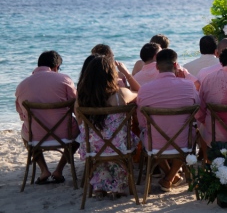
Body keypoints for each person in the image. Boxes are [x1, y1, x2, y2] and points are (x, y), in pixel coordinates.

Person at [136, 48, 200, 192]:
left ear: (157, 67)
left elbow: (142, 122)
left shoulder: (145, 89)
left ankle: (169, 177)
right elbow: (198, 110)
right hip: (184, 142)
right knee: (186, 136)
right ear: (176, 65)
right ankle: (171, 177)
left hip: (155, 143)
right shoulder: (189, 86)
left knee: (151, 135)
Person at [76, 56, 139, 197]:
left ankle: (99, 186)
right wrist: (126, 73)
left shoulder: (82, 98)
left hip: (92, 147)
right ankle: (118, 186)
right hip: (119, 146)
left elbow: (80, 123)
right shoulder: (121, 94)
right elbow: (139, 91)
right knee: (116, 142)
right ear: (112, 74)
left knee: (100, 142)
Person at [15, 50, 78, 185]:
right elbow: (76, 106)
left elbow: (22, 115)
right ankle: (59, 170)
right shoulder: (64, 80)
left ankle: (44, 170)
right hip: (66, 134)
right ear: (56, 67)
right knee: (79, 134)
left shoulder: (22, 85)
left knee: (26, 132)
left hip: (35, 136)